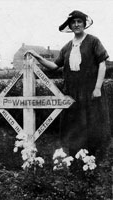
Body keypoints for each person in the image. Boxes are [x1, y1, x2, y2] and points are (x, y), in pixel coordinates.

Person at [25, 10, 111, 157]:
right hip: (72, 93)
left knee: (93, 127)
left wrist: (97, 88)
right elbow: (54, 66)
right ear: (70, 26)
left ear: (84, 24)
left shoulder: (93, 41)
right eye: (73, 22)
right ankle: (75, 161)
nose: (76, 25)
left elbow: (102, 64)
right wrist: (38, 57)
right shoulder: (67, 47)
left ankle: (94, 163)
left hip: (90, 92)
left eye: (79, 22)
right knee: (75, 128)